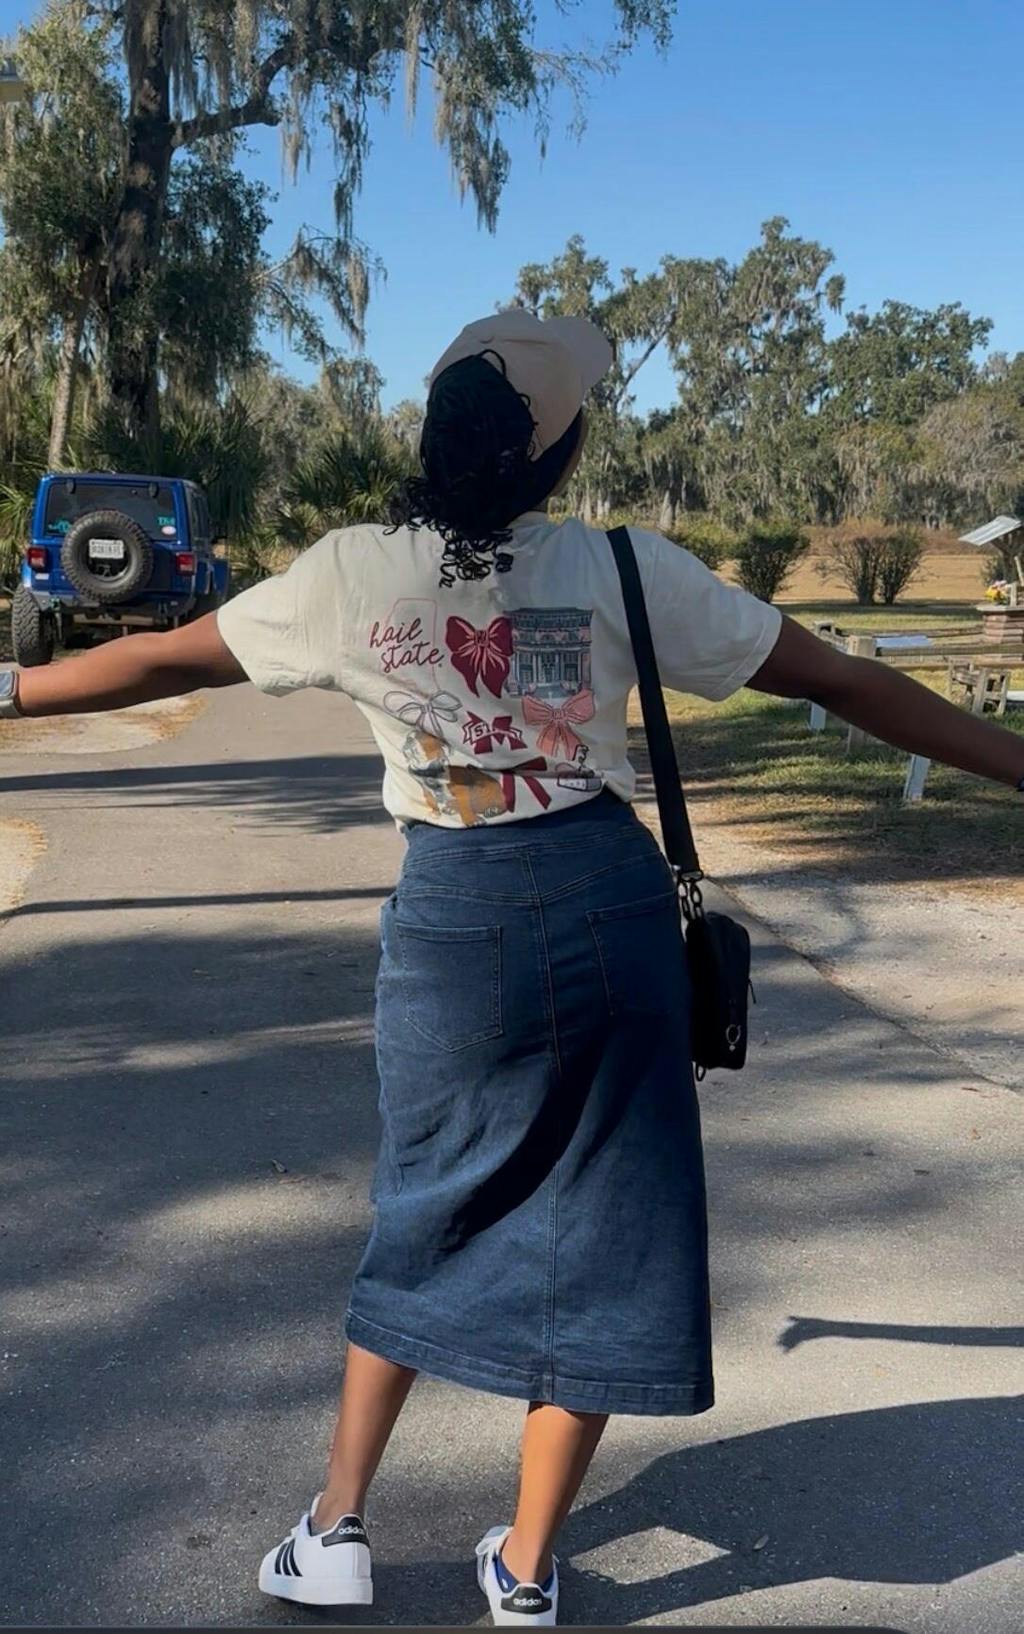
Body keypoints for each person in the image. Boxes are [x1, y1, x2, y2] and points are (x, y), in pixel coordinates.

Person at [3, 309, 1021, 1627]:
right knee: (609, 1218)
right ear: (560, 452)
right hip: (608, 897)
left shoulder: (352, 572)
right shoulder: (624, 568)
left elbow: (156, 655)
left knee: (426, 1196)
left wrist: (12, 694)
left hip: (456, 907)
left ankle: (336, 1528)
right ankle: (527, 1569)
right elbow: (843, 681)